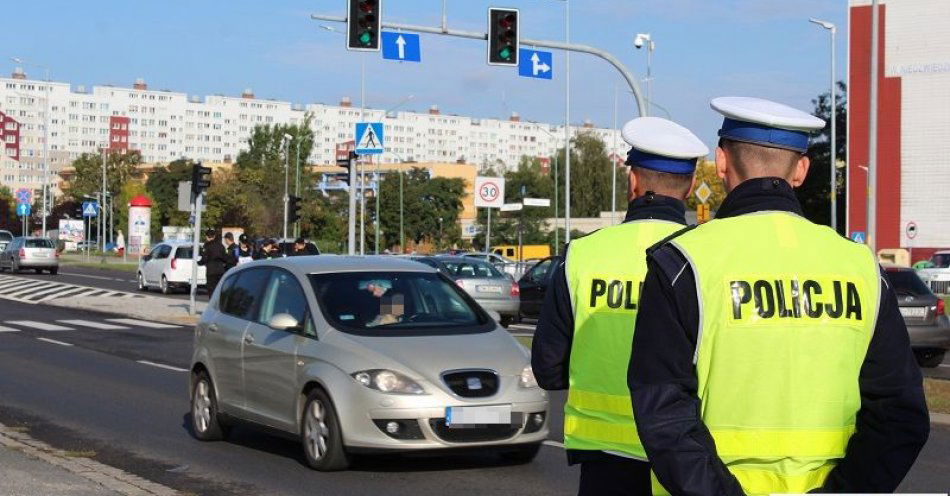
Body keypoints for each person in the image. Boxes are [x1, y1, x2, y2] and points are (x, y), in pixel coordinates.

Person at [628, 97, 930, 495]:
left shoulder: (682, 263)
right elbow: (899, 414)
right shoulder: (861, 267)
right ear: (801, 169)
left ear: (721, 163)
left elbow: (663, 413)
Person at [532, 116, 708, 496]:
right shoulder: (707, 255)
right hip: (688, 456)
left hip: (604, 460)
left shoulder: (582, 254)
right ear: (691, 186)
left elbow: (548, 367)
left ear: (632, 183)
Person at [197, 229, 230, 296]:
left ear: (206, 237)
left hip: (211, 271)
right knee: (219, 290)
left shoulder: (207, 246)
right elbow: (225, 258)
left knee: (211, 290)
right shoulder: (221, 245)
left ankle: (212, 305)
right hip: (220, 270)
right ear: (214, 236)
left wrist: (199, 263)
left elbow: (204, 259)